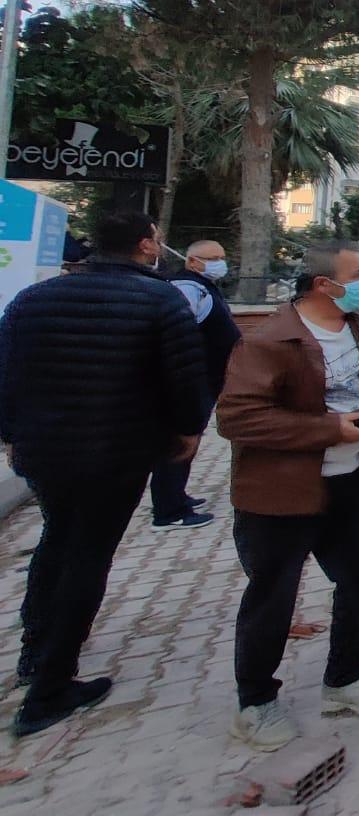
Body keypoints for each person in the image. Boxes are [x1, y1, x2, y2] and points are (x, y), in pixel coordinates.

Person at [0, 211, 211, 738]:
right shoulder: (161, 299)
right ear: (145, 245)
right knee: (88, 554)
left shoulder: (34, 299)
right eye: (157, 240)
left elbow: (6, 373)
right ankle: (50, 687)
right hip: (118, 452)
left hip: (46, 451)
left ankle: (34, 649)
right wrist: (188, 433)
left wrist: (12, 433)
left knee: (57, 538)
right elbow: (185, 379)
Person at [217, 241, 359, 752]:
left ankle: (346, 679)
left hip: (354, 485)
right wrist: (328, 430)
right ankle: (255, 702)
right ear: (326, 284)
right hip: (282, 494)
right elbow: (237, 418)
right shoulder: (273, 341)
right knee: (273, 595)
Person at [148, 239, 243, 530]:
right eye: (211, 258)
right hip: (193, 377)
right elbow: (179, 332)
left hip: (204, 376)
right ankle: (168, 510)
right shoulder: (188, 287)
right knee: (180, 439)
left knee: (188, 437)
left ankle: (176, 495)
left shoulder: (202, 285)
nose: (219, 262)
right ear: (192, 261)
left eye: (221, 256)